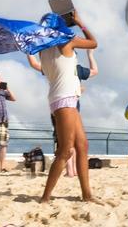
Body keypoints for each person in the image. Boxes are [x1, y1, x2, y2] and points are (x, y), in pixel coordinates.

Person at [37, 11, 98, 203]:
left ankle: (87, 195)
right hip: (65, 100)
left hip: (62, 98)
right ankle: (45, 198)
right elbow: (93, 42)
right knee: (65, 150)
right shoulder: (67, 42)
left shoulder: (42, 49)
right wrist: (79, 21)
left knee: (82, 145)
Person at [27, 49, 98, 177]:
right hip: (74, 105)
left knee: (65, 141)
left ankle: (70, 171)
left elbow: (35, 64)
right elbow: (94, 71)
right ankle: (73, 171)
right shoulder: (77, 69)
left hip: (60, 105)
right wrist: (90, 54)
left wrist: (30, 49)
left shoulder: (56, 65)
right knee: (75, 141)